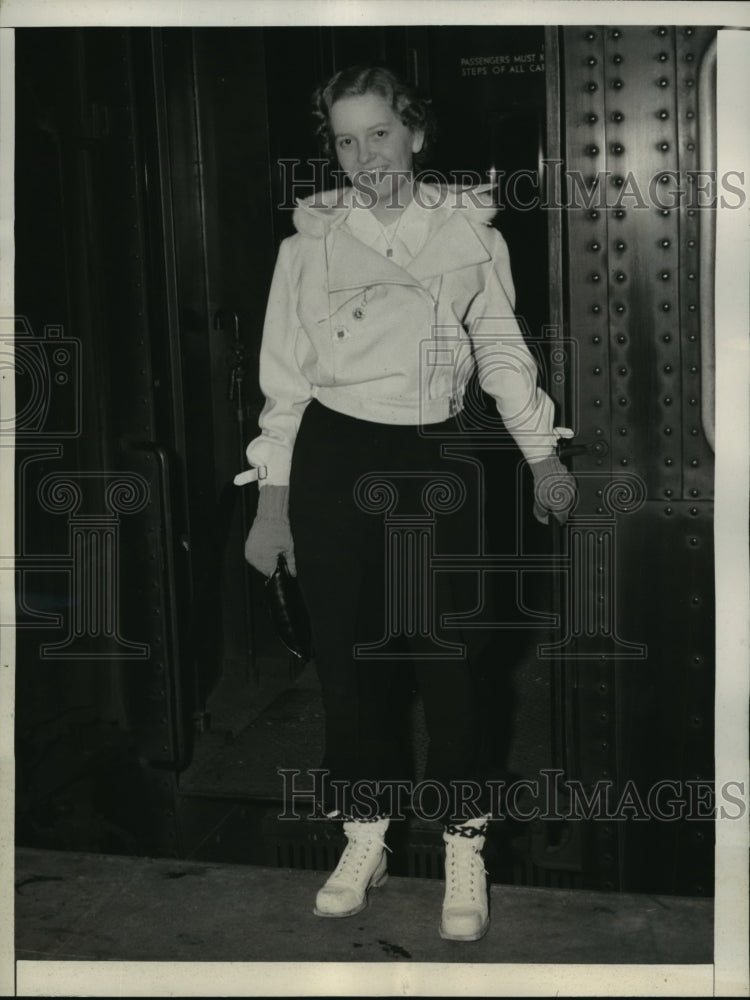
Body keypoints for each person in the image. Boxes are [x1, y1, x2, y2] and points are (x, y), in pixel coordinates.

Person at [237, 64, 576, 941]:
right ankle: (366, 835)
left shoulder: (469, 232)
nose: (364, 156)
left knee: (450, 660)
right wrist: (271, 506)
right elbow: (285, 385)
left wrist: (541, 456)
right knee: (348, 665)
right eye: (345, 140)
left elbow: (501, 351)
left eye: (379, 133)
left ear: (415, 134)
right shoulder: (307, 242)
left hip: (438, 455)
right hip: (332, 458)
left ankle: (465, 845)